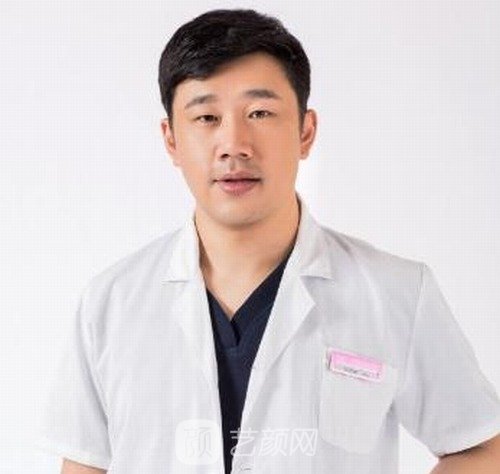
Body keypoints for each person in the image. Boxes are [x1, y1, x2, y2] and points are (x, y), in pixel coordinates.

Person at [36, 8, 500, 474]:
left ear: (305, 131)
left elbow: (482, 447)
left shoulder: (396, 293)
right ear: (171, 139)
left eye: (260, 113)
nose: (234, 144)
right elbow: (85, 464)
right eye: (206, 117)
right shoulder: (111, 304)